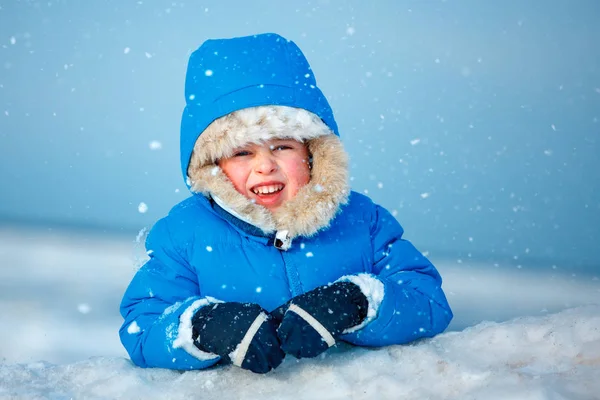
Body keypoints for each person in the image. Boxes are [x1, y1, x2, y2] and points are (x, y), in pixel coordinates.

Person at [119, 32, 453, 374]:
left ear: (313, 152)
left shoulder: (362, 221)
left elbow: (429, 303)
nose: (264, 165)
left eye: (282, 147)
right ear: (214, 165)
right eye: (242, 152)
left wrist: (355, 302)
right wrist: (207, 326)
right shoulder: (184, 235)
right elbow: (143, 329)